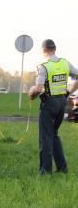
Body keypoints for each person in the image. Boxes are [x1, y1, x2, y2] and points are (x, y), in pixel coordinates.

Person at [28, 39, 78, 174]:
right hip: (62, 102)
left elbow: (38, 89)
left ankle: (45, 171)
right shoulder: (65, 63)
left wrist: (31, 94)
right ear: (55, 49)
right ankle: (62, 168)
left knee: (45, 137)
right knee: (54, 134)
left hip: (49, 103)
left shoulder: (43, 66)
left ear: (43, 50)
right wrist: (68, 92)